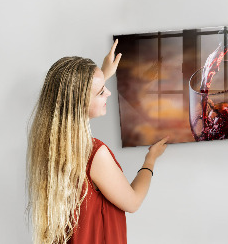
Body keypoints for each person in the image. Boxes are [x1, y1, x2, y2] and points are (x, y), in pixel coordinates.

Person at [26, 40, 169, 244]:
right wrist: (150, 159)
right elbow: (133, 202)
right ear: (80, 102)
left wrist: (103, 74)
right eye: (101, 91)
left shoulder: (49, 143)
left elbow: (75, 96)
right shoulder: (94, 154)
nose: (108, 93)